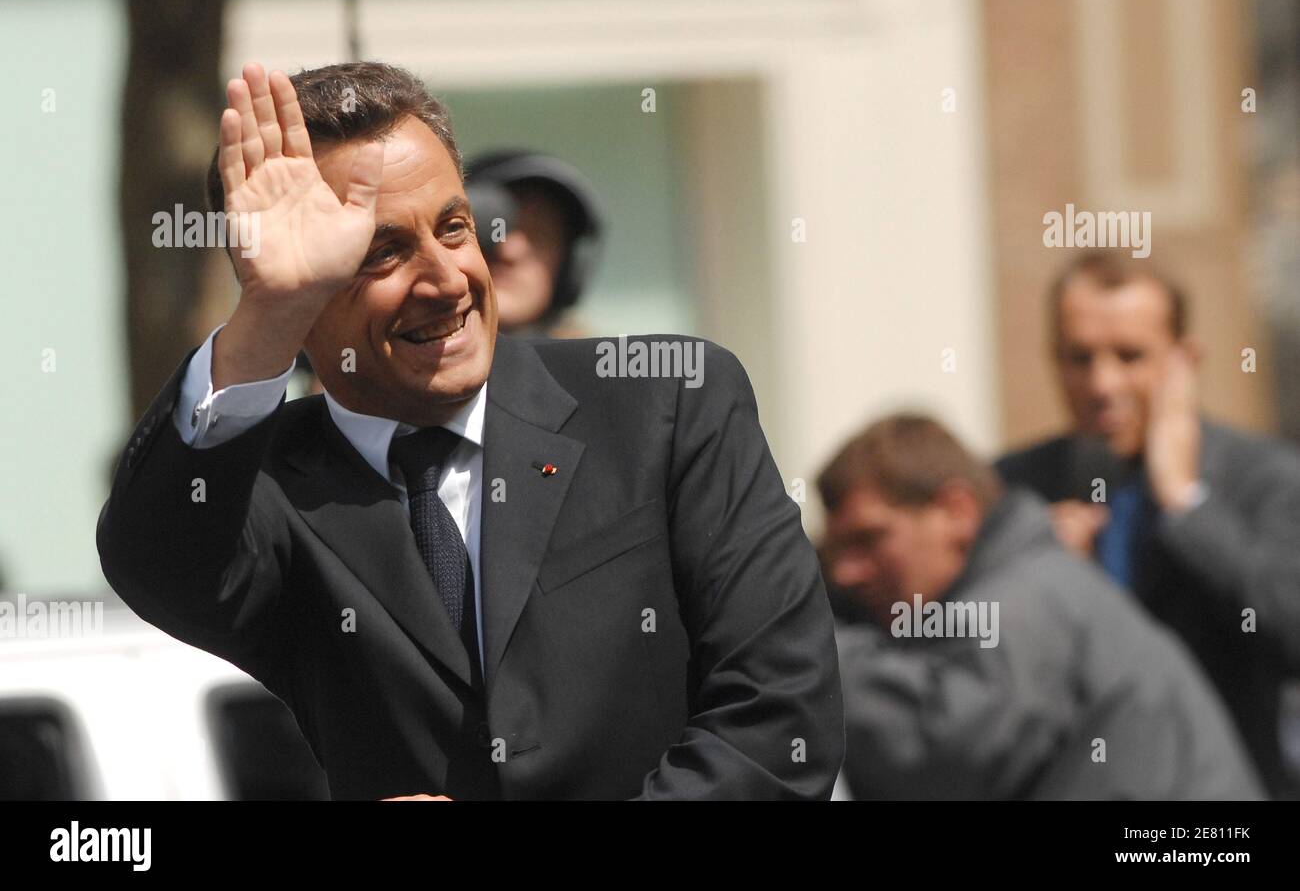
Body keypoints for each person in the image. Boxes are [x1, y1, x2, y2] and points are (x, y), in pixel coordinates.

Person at [96, 61, 844, 800]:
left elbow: (778, 724)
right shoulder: (268, 488)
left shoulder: (668, 402)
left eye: (455, 227)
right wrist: (266, 319)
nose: (447, 279)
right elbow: (157, 563)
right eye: (381, 252)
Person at [821, 414, 1263, 800]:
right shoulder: (1028, 581)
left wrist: (812, 657)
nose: (846, 572)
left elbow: (949, 752)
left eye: (869, 539)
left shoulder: (1021, 603)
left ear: (956, 511)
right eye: (837, 550)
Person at [997, 252, 1300, 796]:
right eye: (1080, 358)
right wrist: (1034, 568)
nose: (1102, 383)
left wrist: (1187, 502)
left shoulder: (1262, 480)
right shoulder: (1014, 492)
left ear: (1185, 360)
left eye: (1130, 356)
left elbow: (1288, 628)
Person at [463, 150, 603, 338]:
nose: (509, 250)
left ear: (567, 268)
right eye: (494, 227)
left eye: (539, 234)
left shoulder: (598, 364)